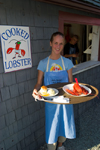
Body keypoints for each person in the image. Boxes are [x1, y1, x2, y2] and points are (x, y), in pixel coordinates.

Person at [32, 32, 76, 150]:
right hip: (51, 102)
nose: (58, 46)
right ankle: (51, 147)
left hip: (65, 101)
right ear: (51, 43)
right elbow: (39, 83)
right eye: (55, 43)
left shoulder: (67, 63)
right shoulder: (43, 63)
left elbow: (70, 83)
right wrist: (35, 90)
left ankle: (61, 146)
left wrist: (76, 92)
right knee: (52, 126)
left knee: (63, 123)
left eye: (61, 44)